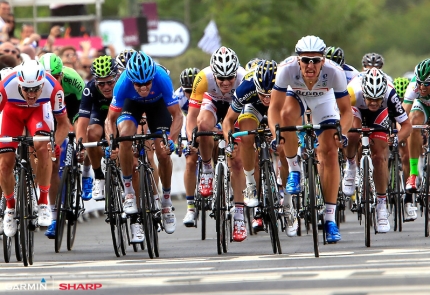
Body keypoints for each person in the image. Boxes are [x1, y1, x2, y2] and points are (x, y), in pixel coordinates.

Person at [268, 35, 353, 243]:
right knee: (286, 117)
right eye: (306, 60)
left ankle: (330, 219)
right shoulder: (286, 69)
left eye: (315, 60)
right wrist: (275, 133)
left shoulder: (335, 72)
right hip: (296, 96)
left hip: (324, 100)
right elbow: (274, 108)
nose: (310, 65)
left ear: (323, 60)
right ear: (298, 60)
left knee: (330, 151)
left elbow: (346, 111)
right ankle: (294, 168)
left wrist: (341, 132)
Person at [105, 51, 183, 235]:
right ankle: (129, 192)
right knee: (124, 136)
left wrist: (172, 139)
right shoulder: (123, 83)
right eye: (138, 84)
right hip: (132, 106)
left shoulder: (161, 77)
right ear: (131, 79)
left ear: (152, 77)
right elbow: (110, 120)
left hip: (157, 107)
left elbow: (177, 115)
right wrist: (112, 142)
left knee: (163, 152)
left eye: (147, 82)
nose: (143, 87)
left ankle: (165, 202)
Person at [222, 60, 295, 236]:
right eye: (263, 94)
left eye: (269, 94)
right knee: (246, 135)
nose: (266, 99)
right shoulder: (246, 87)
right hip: (253, 108)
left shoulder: (288, 86)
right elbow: (228, 121)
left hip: (280, 108)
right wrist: (229, 142)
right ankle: (250, 184)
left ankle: (288, 203)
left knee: (284, 149)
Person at [0, 60, 70, 237]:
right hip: (11, 113)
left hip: (38, 112)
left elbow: (63, 124)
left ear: (42, 84)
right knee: (4, 164)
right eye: (26, 89)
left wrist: (55, 144)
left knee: (43, 147)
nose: (31, 94)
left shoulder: (53, 88)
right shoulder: (5, 86)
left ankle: (43, 202)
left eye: (36, 89)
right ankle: (9, 208)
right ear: (19, 83)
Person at [186, 46, 248, 241]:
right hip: (212, 103)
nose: (226, 82)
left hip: (236, 108)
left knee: (237, 161)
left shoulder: (244, 78)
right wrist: (191, 139)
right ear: (214, 74)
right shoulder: (203, 78)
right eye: (220, 78)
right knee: (203, 125)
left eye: (230, 78)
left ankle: (239, 216)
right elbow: (192, 117)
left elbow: (246, 114)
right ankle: (206, 169)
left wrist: (237, 138)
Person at [343, 68, 412, 232]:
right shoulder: (352, 91)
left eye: (377, 99)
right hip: (356, 109)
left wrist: (396, 139)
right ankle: (351, 165)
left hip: (381, 114)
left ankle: (382, 205)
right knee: (352, 133)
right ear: (364, 93)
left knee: (379, 157)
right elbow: (340, 116)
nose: (373, 102)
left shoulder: (390, 95)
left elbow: (407, 126)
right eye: (370, 98)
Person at [39, 52, 86, 238]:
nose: (53, 81)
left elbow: (85, 109)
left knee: (83, 134)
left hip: (73, 105)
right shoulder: (38, 84)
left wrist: (79, 129)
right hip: (49, 108)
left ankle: (86, 172)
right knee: (54, 165)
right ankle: (55, 216)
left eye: (56, 77)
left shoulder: (73, 78)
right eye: (48, 78)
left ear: (62, 75)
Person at [76, 56, 119, 202]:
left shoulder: (123, 86)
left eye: (110, 82)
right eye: (101, 84)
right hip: (99, 115)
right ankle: (99, 176)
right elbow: (82, 121)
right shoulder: (90, 89)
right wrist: (80, 145)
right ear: (95, 81)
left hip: (120, 116)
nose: (106, 87)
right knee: (90, 132)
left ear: (116, 77)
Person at [404, 59, 430, 214]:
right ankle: (413, 174)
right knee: (412, 121)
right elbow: (402, 113)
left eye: (426, 84)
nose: (421, 87)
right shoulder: (415, 86)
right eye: (419, 83)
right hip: (423, 109)